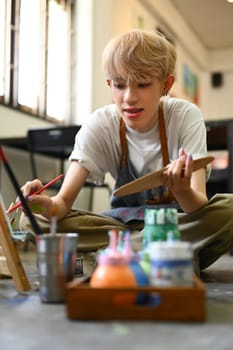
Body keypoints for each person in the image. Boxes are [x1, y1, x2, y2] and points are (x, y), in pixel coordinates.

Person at [20, 29, 233, 274]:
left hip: (174, 225)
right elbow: (62, 204)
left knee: (228, 211)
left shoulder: (185, 116)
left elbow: (198, 208)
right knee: (30, 218)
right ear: (109, 84)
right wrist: (38, 205)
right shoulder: (99, 125)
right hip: (120, 226)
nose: (129, 98)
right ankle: (160, 256)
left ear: (166, 84)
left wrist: (182, 190)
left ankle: (110, 258)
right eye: (120, 85)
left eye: (142, 84)